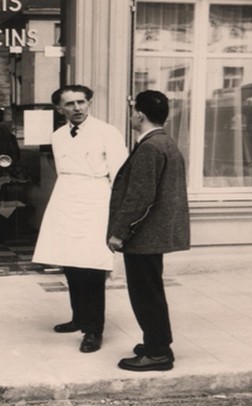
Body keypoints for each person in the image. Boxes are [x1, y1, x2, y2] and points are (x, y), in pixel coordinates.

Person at [33, 85, 128, 353]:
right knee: (71, 262)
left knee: (93, 267)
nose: (77, 108)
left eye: (82, 102)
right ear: (59, 109)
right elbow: (62, 170)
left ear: (89, 104)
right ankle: (79, 317)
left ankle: (93, 330)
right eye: (70, 104)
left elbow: (119, 175)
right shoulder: (58, 135)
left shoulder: (107, 132)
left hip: (96, 201)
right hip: (66, 200)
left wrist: (115, 213)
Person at [107, 90, 190, 371]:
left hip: (144, 235)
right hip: (153, 233)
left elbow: (139, 197)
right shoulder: (164, 142)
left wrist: (119, 232)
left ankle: (157, 353)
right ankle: (156, 342)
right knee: (151, 291)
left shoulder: (150, 147)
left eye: (133, 111)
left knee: (145, 294)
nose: (131, 115)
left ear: (139, 115)